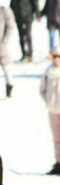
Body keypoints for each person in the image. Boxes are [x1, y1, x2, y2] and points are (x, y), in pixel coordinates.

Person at [39, 46, 60, 175]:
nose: (57, 59)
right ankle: (58, 162)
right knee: (57, 138)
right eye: (55, 56)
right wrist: (48, 101)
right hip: (53, 110)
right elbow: (42, 89)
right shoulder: (48, 72)